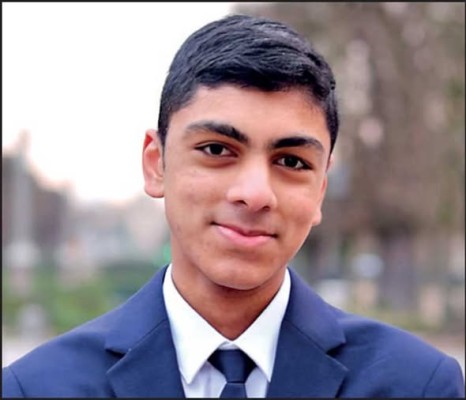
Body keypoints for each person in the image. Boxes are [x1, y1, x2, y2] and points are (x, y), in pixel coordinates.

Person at [2, 14, 464, 398]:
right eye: (217, 150)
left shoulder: (417, 385)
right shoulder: (38, 388)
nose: (255, 193)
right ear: (156, 163)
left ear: (320, 191)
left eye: (291, 161)